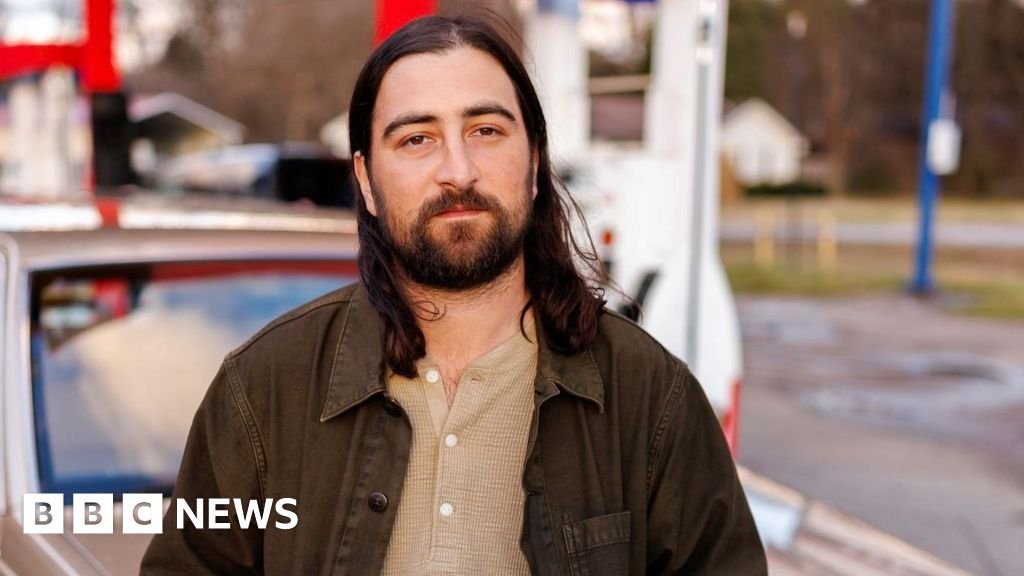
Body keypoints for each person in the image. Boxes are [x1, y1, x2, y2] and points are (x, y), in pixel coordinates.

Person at [141, 15, 767, 575]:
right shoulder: (264, 388)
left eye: (486, 130)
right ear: (366, 180)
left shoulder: (649, 395)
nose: (458, 170)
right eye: (417, 139)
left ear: (534, 162)